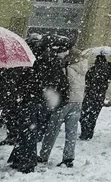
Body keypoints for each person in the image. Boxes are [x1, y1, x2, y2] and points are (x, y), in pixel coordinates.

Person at [8, 39, 68, 173]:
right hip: (45, 102)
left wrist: (20, 93)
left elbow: (21, 81)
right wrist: (59, 100)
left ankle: (25, 160)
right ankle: (22, 158)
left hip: (30, 100)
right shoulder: (54, 64)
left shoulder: (31, 63)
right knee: (32, 132)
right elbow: (62, 84)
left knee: (27, 131)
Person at [40, 49, 88, 166]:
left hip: (65, 101)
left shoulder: (67, 68)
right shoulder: (82, 68)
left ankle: (44, 155)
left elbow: (62, 83)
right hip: (78, 101)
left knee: (53, 129)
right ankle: (68, 158)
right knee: (71, 132)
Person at [79, 54, 111, 140]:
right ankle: (90, 132)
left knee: (84, 114)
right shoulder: (109, 70)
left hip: (90, 95)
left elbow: (87, 81)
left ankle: (84, 132)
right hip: (100, 96)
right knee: (93, 115)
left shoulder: (92, 70)